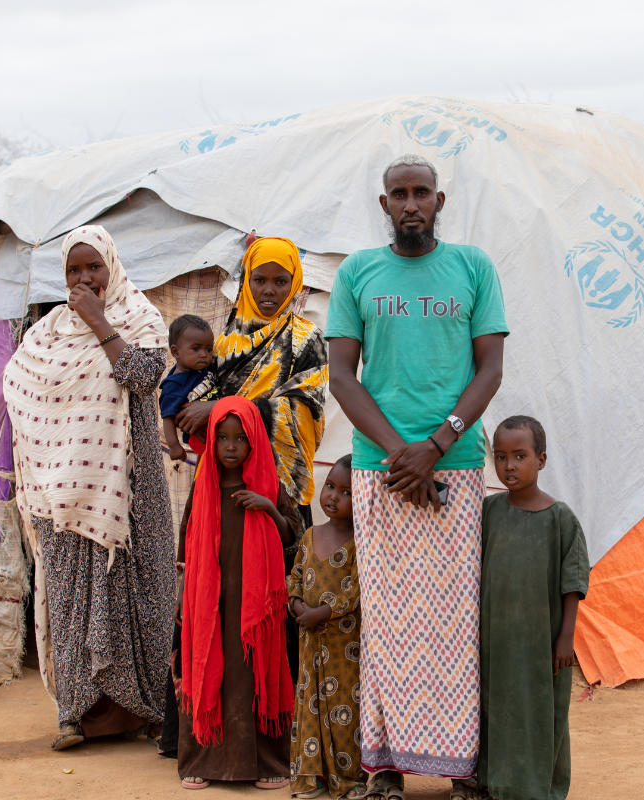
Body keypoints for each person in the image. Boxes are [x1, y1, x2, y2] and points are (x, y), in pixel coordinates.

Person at [325, 154, 508, 799]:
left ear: (439, 200)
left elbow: (490, 370)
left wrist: (437, 444)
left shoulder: (473, 267)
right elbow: (341, 375)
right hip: (383, 473)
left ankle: (459, 768)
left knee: (456, 619)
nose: (410, 204)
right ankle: (386, 769)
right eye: (398, 194)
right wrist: (402, 451)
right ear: (384, 205)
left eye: (421, 193)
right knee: (387, 619)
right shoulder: (357, 273)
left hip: (453, 469)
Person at [3, 225, 176, 751]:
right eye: (74, 271)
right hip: (63, 492)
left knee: (141, 594)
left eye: (93, 267)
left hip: (131, 484)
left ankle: (146, 710)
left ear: (112, 267)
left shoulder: (140, 317)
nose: (84, 278)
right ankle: (76, 716)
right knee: (72, 596)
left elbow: (144, 375)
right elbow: (18, 388)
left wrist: (98, 320)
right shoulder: (47, 332)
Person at [176, 396, 300, 790]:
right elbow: (186, 546)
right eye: (222, 438)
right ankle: (202, 760)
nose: (230, 447)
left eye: (240, 438)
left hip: (254, 610)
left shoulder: (269, 486)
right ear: (211, 442)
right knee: (205, 667)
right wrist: (183, 599)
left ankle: (267, 762)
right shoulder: (203, 486)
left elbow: (292, 541)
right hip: (208, 603)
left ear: (255, 442)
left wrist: (267, 507)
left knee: (252, 676)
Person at [174, 236, 328, 511]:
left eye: (281, 281)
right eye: (259, 280)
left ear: (294, 283)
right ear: (246, 280)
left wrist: (220, 409)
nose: (269, 290)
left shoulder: (306, 339)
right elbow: (196, 397)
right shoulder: (222, 342)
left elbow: (303, 413)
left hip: (276, 486)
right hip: (223, 477)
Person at [479, 416, 589, 800]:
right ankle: (494, 781)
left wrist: (566, 637)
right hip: (495, 638)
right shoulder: (489, 511)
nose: (509, 466)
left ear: (541, 460)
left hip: (541, 641)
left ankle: (538, 785)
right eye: (501, 456)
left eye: (520, 456)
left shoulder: (560, 518)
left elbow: (573, 582)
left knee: (540, 709)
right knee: (495, 704)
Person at [288, 455, 366, 800]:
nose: (333, 496)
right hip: (309, 642)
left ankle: (346, 779)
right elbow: (294, 577)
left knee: (342, 709)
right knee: (309, 705)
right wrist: (298, 606)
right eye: (331, 486)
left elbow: (356, 589)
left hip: (343, 646)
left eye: (346, 492)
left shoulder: (362, 542)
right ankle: (311, 777)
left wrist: (323, 612)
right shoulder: (308, 536)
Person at [160, 314, 216, 462]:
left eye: (209, 349)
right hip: (201, 436)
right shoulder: (173, 385)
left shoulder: (204, 369)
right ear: (176, 352)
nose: (204, 354)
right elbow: (168, 417)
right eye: (196, 349)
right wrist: (174, 446)